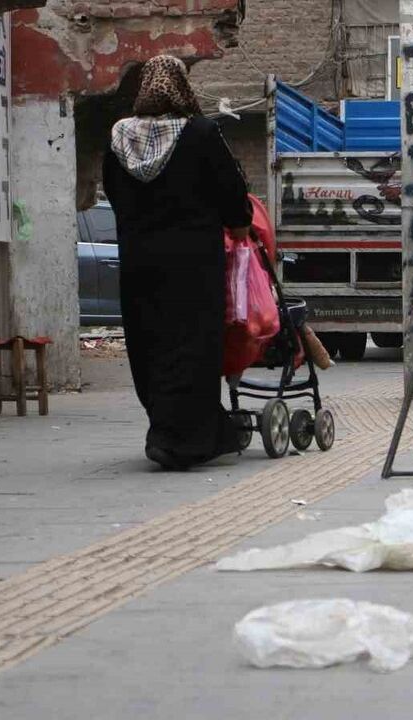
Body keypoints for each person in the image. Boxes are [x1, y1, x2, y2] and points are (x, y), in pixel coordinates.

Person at [102, 55, 252, 470]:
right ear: (183, 88)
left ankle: (163, 428)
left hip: (138, 260)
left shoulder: (118, 136)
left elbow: (112, 191)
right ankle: (188, 438)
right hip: (193, 262)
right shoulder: (202, 132)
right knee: (193, 344)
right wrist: (238, 223)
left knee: (149, 341)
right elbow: (230, 188)